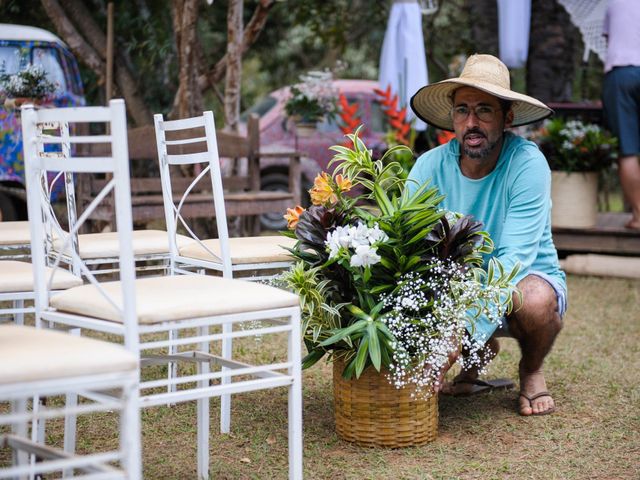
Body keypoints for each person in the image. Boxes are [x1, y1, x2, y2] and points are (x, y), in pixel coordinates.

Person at [407, 54, 567, 416]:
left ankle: (531, 369)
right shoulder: (428, 166)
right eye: (462, 110)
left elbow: (513, 261)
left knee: (535, 300)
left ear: (507, 118)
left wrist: (458, 328)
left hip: (522, 279)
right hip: (454, 284)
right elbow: (408, 246)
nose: (472, 122)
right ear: (452, 118)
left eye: (484, 110)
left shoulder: (526, 163)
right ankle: (479, 353)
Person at [602, 0, 640, 230]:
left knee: (628, 150)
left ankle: (639, 214)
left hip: (621, 73)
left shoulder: (614, 3)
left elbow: (609, 40)